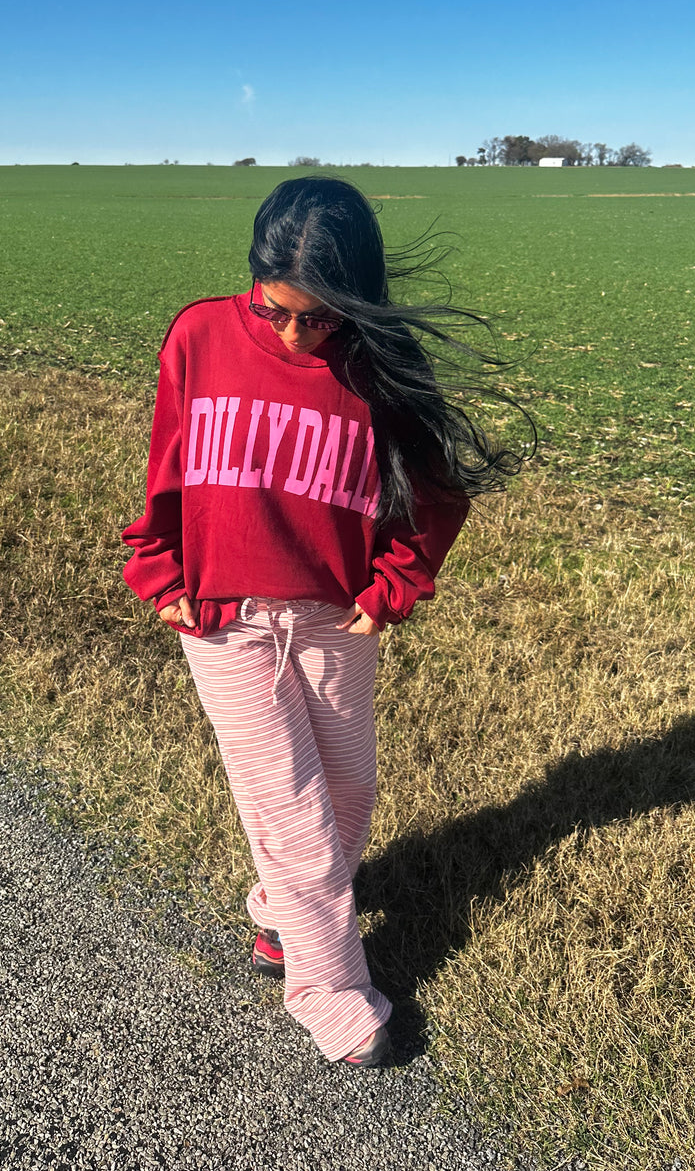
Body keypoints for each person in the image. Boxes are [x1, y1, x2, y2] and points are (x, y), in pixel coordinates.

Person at [121, 176, 524, 1068]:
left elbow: (438, 498)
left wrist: (394, 584)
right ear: (252, 282)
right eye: (277, 313)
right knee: (295, 813)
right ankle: (330, 988)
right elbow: (169, 463)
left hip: (335, 615)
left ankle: (279, 914)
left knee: (348, 792)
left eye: (319, 317)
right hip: (224, 617)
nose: (297, 334)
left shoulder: (379, 365)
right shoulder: (198, 335)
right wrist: (158, 565)